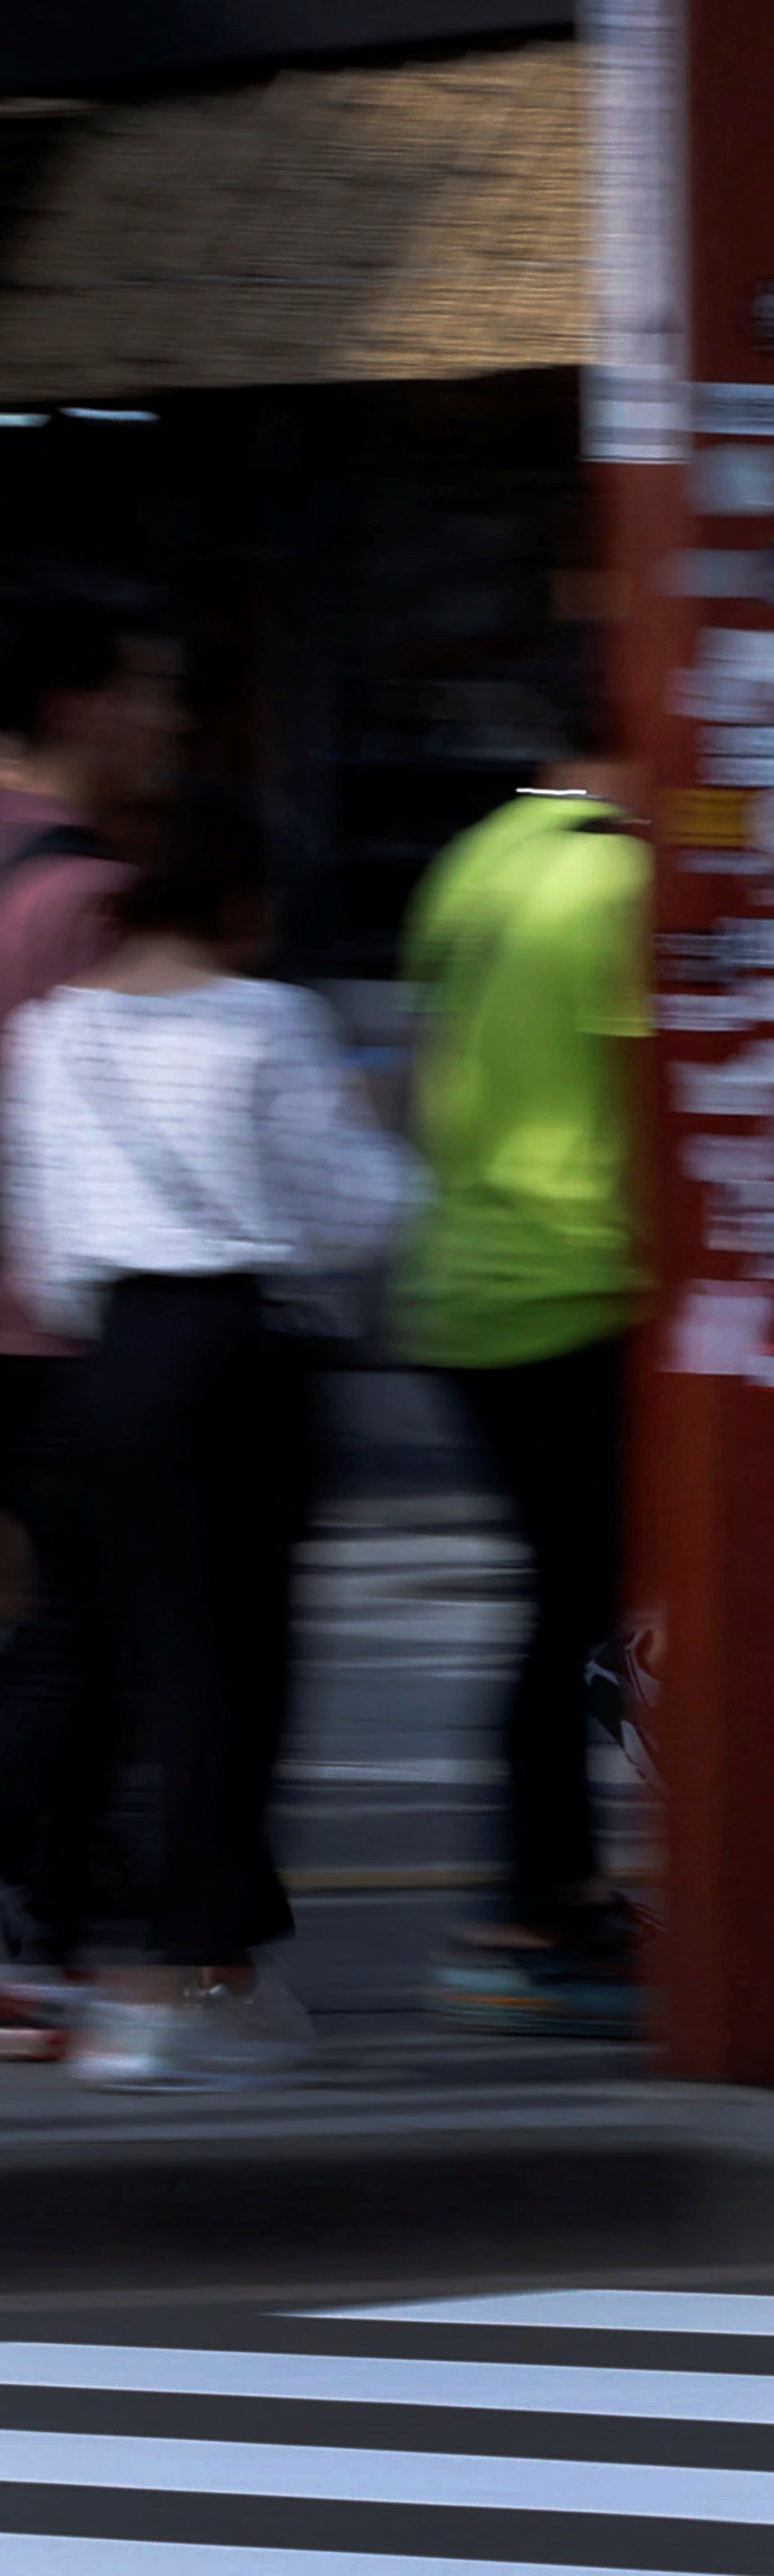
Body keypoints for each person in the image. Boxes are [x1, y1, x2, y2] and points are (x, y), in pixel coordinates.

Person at [16, 788, 418, 2090]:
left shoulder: (58, 1031)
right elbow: (359, 1214)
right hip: (234, 1353)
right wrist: (385, 1130)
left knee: (128, 1657)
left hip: (109, 1359)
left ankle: (167, 1956)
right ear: (245, 903)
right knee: (234, 1675)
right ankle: (197, 1976)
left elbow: (48, 1229)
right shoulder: (267, 1021)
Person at [392, 706, 654, 2035]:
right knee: (572, 1614)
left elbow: (427, 1057)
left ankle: (557, 1890)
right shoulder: (619, 876)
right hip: (571, 1281)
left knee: (566, 1605)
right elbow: (655, 1089)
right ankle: (533, 1911)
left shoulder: (480, 854)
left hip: (461, 1275)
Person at [0, 569, 166, 2022]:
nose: (159, 719)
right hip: (52, 1321)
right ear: (75, 707)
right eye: (142, 691)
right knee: (84, 1621)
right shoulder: (93, 899)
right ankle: (46, 1905)